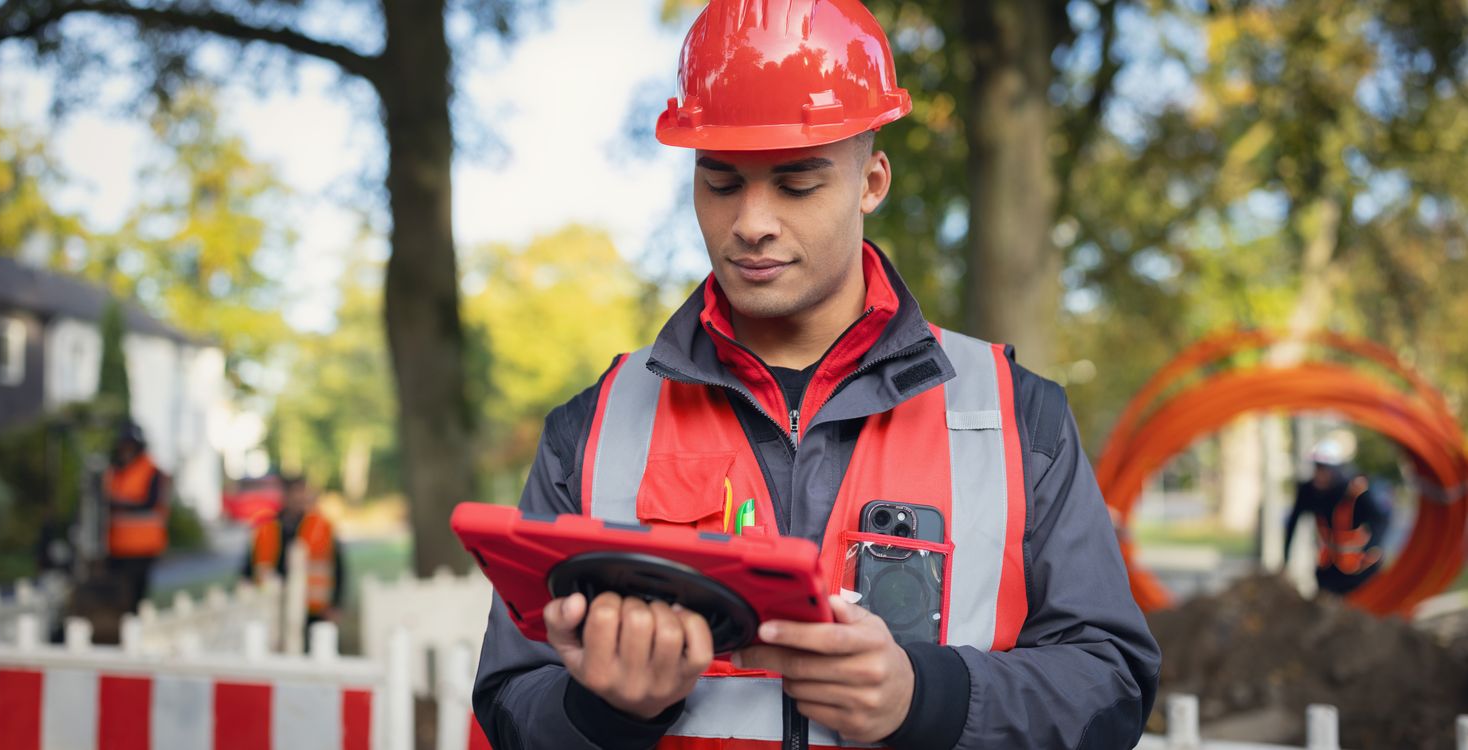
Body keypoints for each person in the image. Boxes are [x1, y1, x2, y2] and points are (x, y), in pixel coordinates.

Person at [473, 1, 1161, 747]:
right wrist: (605, 710)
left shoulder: (1018, 418)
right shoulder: (593, 426)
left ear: (872, 182)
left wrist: (923, 698)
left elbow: (1113, 686)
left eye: (797, 184)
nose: (752, 222)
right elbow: (510, 702)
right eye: (722, 181)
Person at [1283, 438, 1392, 595]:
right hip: (1328, 568)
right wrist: (1286, 560)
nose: (1320, 473)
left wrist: (1373, 547)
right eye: (1317, 467)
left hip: (1360, 569)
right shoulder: (1308, 491)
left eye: (1325, 468)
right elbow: (1293, 522)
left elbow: (1382, 518)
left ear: (1336, 469)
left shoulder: (1356, 491)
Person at [243, 474, 344, 629]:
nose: (299, 498)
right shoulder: (266, 528)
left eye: (302, 493)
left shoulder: (321, 526)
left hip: (313, 609)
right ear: (285, 495)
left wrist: (335, 603)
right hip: (272, 605)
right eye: (295, 493)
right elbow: (250, 567)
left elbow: (338, 566)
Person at [102, 421, 169, 612]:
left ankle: (132, 626)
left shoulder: (151, 470)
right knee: (116, 593)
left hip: (143, 546)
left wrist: (119, 503)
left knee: (136, 594)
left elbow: (150, 502)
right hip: (116, 546)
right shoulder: (113, 471)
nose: (126, 450)